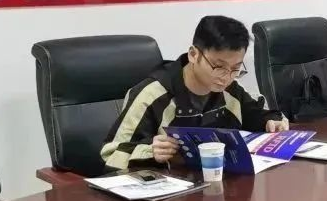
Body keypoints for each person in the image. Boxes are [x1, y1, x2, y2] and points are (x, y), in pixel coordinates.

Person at [101, 16, 288, 170]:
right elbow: (110, 155)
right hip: (165, 195)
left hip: (216, 186)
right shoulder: (153, 94)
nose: (226, 77)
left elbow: (259, 114)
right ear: (193, 54)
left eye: (235, 68)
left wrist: (272, 122)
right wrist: (150, 151)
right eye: (218, 66)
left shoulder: (230, 88)